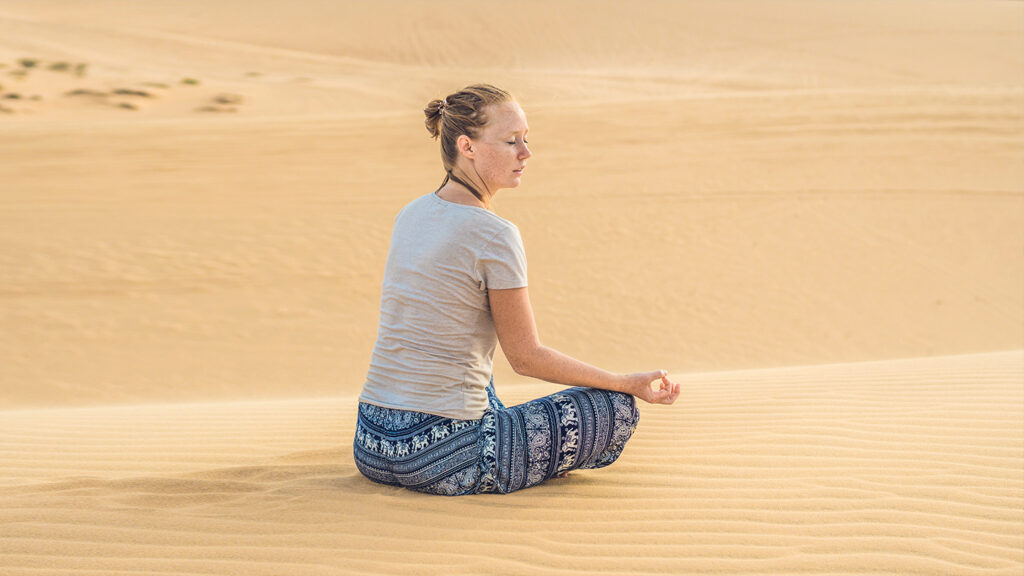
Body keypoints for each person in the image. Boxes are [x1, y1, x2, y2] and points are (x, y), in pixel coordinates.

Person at [353, 83, 680, 496]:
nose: (526, 154)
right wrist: (624, 382)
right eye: (511, 142)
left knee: (478, 374)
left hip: (372, 445)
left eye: (526, 140)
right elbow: (526, 358)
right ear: (467, 146)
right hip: (442, 457)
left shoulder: (411, 214)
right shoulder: (495, 234)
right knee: (613, 409)